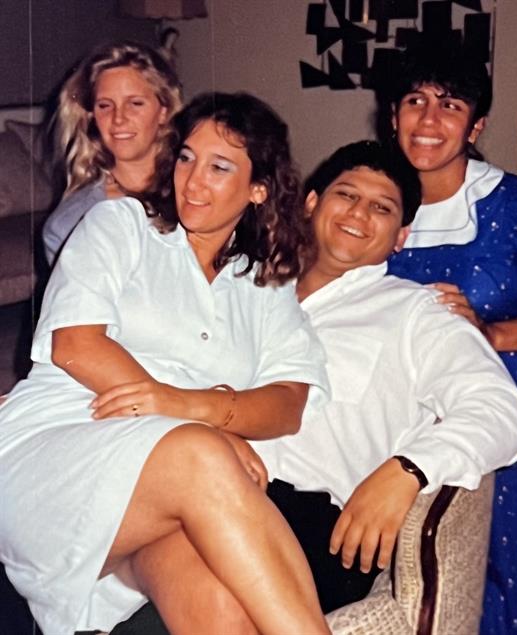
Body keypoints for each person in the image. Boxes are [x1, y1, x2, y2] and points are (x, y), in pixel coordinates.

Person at [0, 92, 330, 635]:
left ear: (259, 189)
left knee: (221, 609)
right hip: (58, 453)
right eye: (186, 158)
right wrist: (202, 429)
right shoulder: (122, 225)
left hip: (149, 509)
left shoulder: (264, 283)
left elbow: (288, 403)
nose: (193, 180)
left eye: (219, 167)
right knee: (200, 453)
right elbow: (75, 344)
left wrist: (190, 408)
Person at [247, 140, 517, 615]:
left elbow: (501, 412)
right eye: (346, 195)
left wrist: (409, 469)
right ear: (311, 203)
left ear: (401, 236)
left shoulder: (417, 312)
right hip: (214, 486)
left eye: (382, 208)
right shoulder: (246, 290)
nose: (359, 213)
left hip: (313, 528)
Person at [379, 43, 517, 634]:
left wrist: (496, 332)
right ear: (393, 115)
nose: (429, 119)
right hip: (415, 432)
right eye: (415, 101)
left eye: (449, 105)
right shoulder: (372, 206)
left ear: (475, 126)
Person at [42, 40, 183, 265]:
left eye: (135, 103)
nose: (118, 118)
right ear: (92, 116)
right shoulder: (71, 223)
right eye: (105, 105)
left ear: (163, 111)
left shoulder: (196, 190)